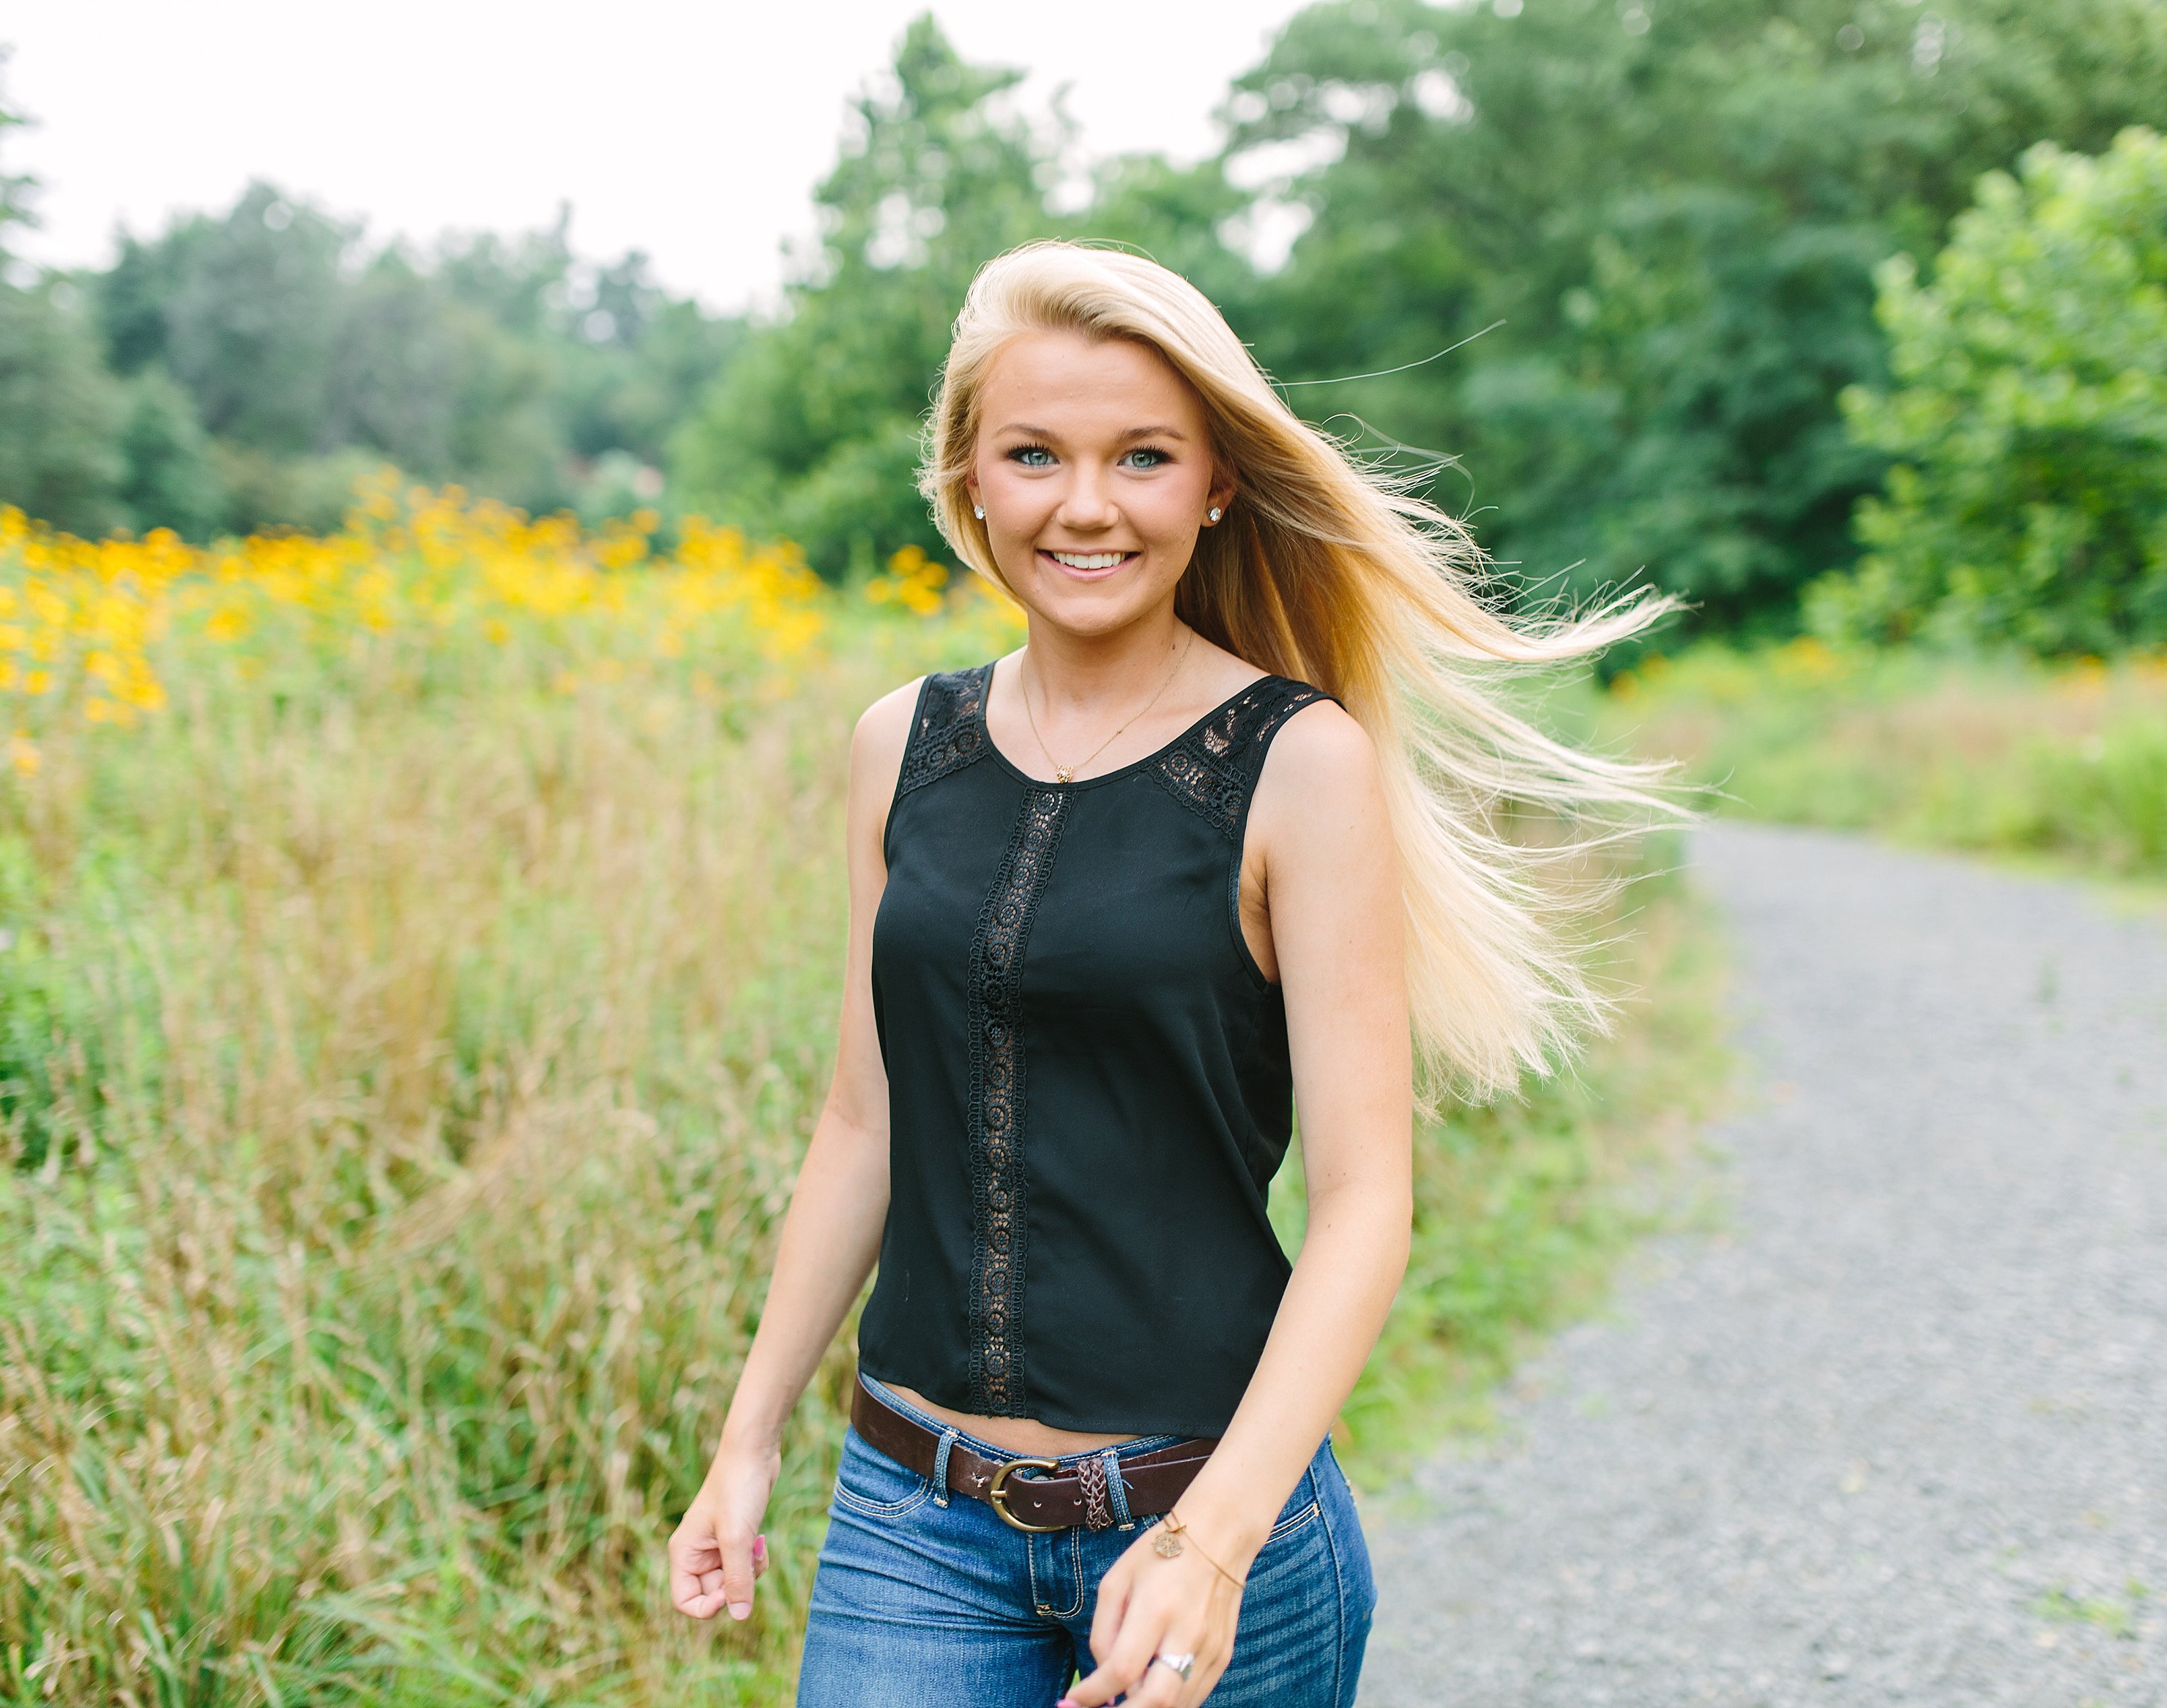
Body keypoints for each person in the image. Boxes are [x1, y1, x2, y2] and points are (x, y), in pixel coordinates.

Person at [668, 241, 1669, 1707]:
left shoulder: (1295, 766)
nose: (1085, 505)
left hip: (1207, 1521)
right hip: (910, 1522)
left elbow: (1364, 1206)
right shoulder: (900, 747)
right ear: (967, 484)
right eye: (1033, 455)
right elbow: (862, 1127)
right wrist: (748, 1433)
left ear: (1212, 483)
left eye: (1142, 457)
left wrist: (1212, 1539)